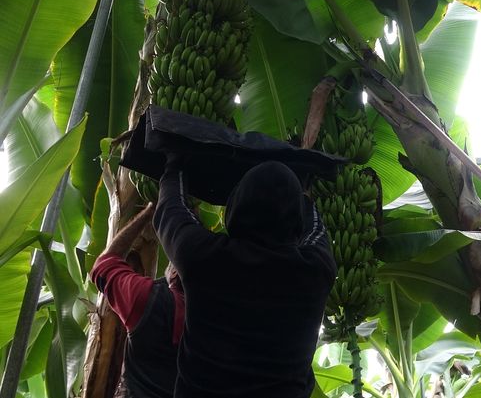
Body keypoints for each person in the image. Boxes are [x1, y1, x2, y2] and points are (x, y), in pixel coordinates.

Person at [153, 156, 335, 398]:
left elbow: (170, 208)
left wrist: (175, 164)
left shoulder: (204, 257)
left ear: (235, 207)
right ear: (295, 223)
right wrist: (302, 191)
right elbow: (316, 230)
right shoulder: (316, 270)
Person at [90, 203, 185, 398]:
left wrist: (148, 212)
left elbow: (103, 266)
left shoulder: (151, 301)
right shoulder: (222, 316)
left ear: (175, 273)